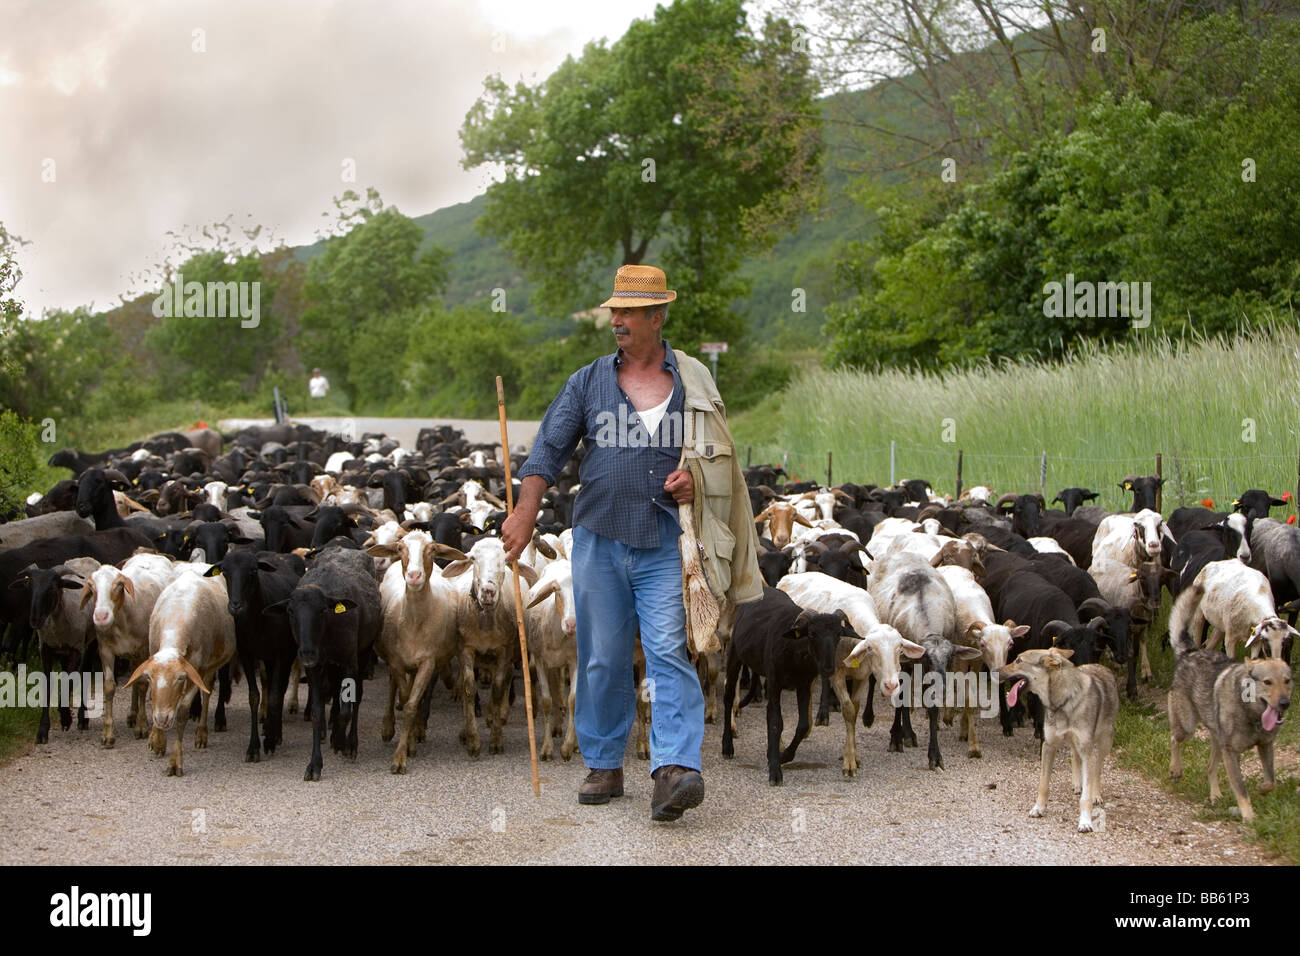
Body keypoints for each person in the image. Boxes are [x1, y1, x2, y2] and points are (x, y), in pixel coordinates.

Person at [502, 263, 762, 822]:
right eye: (614, 311)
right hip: (598, 539)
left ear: (656, 317)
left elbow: (722, 458)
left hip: (668, 541)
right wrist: (526, 511)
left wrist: (697, 479)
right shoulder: (588, 380)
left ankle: (674, 768)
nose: (616, 320)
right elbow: (548, 448)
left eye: (627, 312)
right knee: (602, 656)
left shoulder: (693, 381)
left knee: (670, 649)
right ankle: (602, 761)